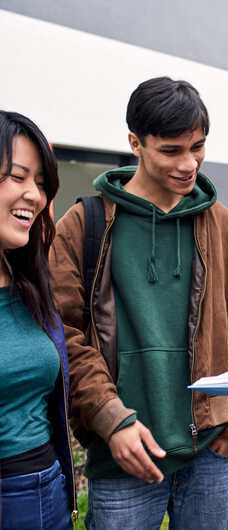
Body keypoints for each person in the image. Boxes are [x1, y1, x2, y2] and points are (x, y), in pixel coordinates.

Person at [49, 77, 228, 530]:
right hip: (123, 454)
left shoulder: (221, 224)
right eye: (171, 150)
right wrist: (111, 420)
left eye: (198, 147)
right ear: (135, 143)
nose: (189, 164)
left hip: (207, 453)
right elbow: (64, 335)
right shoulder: (83, 223)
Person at [0, 111, 76, 529]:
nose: (35, 195)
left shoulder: (30, 283)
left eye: (41, 183)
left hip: (50, 489)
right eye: (17, 176)